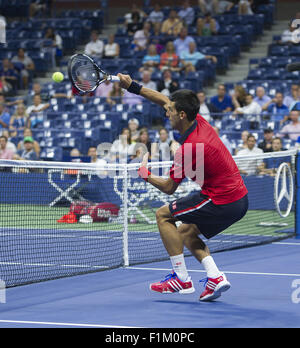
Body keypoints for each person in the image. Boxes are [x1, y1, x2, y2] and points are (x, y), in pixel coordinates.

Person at [117, 72, 248, 301]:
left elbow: (169, 187)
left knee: (163, 215)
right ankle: (215, 277)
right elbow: (163, 100)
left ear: (182, 114)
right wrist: (133, 87)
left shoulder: (190, 149)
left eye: (170, 111)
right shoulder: (200, 122)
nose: (166, 112)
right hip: (239, 198)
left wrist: (145, 174)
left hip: (221, 200)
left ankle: (181, 278)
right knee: (186, 231)